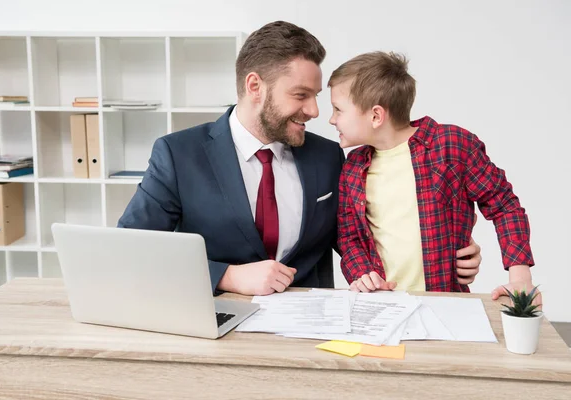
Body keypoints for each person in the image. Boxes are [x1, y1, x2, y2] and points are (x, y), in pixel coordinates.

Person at [117, 21, 482, 296]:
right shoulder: (178, 155)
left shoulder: (328, 157)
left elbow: (361, 234)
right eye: (301, 95)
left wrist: (450, 246)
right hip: (215, 322)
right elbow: (131, 250)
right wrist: (226, 275)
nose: (314, 110)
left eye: (317, 95)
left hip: (315, 333)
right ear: (255, 87)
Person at [328, 51, 539, 304]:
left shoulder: (452, 146)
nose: (331, 119)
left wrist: (520, 276)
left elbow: (504, 205)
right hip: (381, 305)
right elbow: (349, 237)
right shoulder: (353, 167)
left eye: (338, 110)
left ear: (375, 116)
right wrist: (362, 275)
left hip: (446, 302)